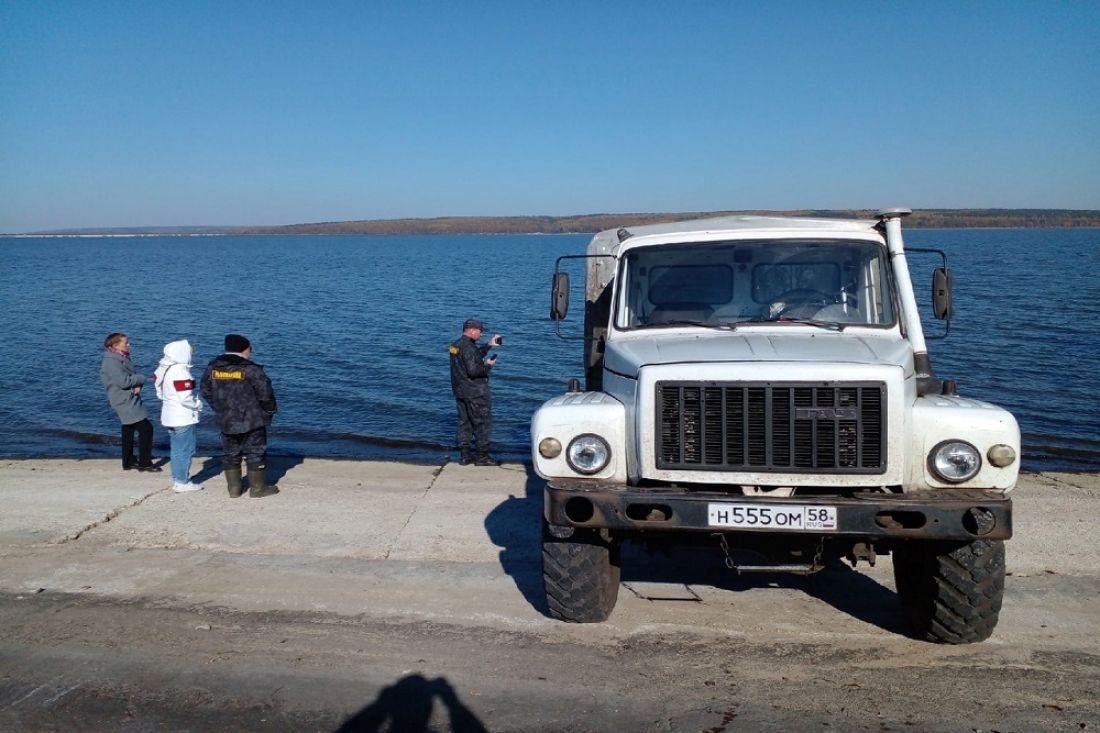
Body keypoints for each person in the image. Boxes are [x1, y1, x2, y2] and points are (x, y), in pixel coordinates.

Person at [200, 334, 279, 498]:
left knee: (230, 453)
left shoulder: (213, 368)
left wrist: (219, 407)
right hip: (252, 419)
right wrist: (269, 411)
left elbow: (205, 391)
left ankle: (234, 489)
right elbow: (266, 394)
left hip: (226, 418)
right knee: (255, 452)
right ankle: (257, 489)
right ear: (245, 349)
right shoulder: (251, 369)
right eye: (250, 349)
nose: (251, 352)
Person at [100, 332, 160, 472]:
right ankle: (145, 462)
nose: (129, 345)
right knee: (146, 428)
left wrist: (136, 384)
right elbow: (123, 381)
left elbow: (126, 379)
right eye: (125, 343)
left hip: (126, 397)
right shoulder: (111, 361)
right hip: (123, 399)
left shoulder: (119, 357)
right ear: (115, 345)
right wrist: (140, 378)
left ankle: (128, 461)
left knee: (128, 427)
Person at [448, 318, 501, 466]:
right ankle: (482, 457)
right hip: (475, 393)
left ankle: (465, 456)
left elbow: (469, 358)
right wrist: (488, 366)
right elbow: (474, 370)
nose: (481, 333)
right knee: (482, 423)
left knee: (464, 423)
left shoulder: (455, 345)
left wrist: (488, 345)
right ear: (472, 330)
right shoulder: (469, 348)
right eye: (480, 331)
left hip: (460, 391)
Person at [153, 339, 204, 493]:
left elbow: (159, 392)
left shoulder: (162, 369)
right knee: (186, 450)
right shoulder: (180, 371)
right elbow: (185, 398)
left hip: (168, 415)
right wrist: (197, 405)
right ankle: (181, 481)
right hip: (182, 417)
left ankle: (178, 478)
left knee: (176, 449)